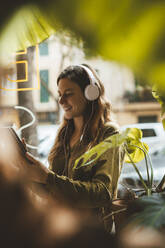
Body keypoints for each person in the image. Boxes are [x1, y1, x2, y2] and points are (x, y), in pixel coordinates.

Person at [23, 64, 124, 233]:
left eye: (68, 94)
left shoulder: (109, 133)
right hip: (60, 228)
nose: (61, 101)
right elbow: (53, 191)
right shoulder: (64, 134)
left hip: (90, 234)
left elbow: (103, 193)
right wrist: (28, 172)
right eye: (60, 95)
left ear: (91, 93)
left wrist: (49, 177)